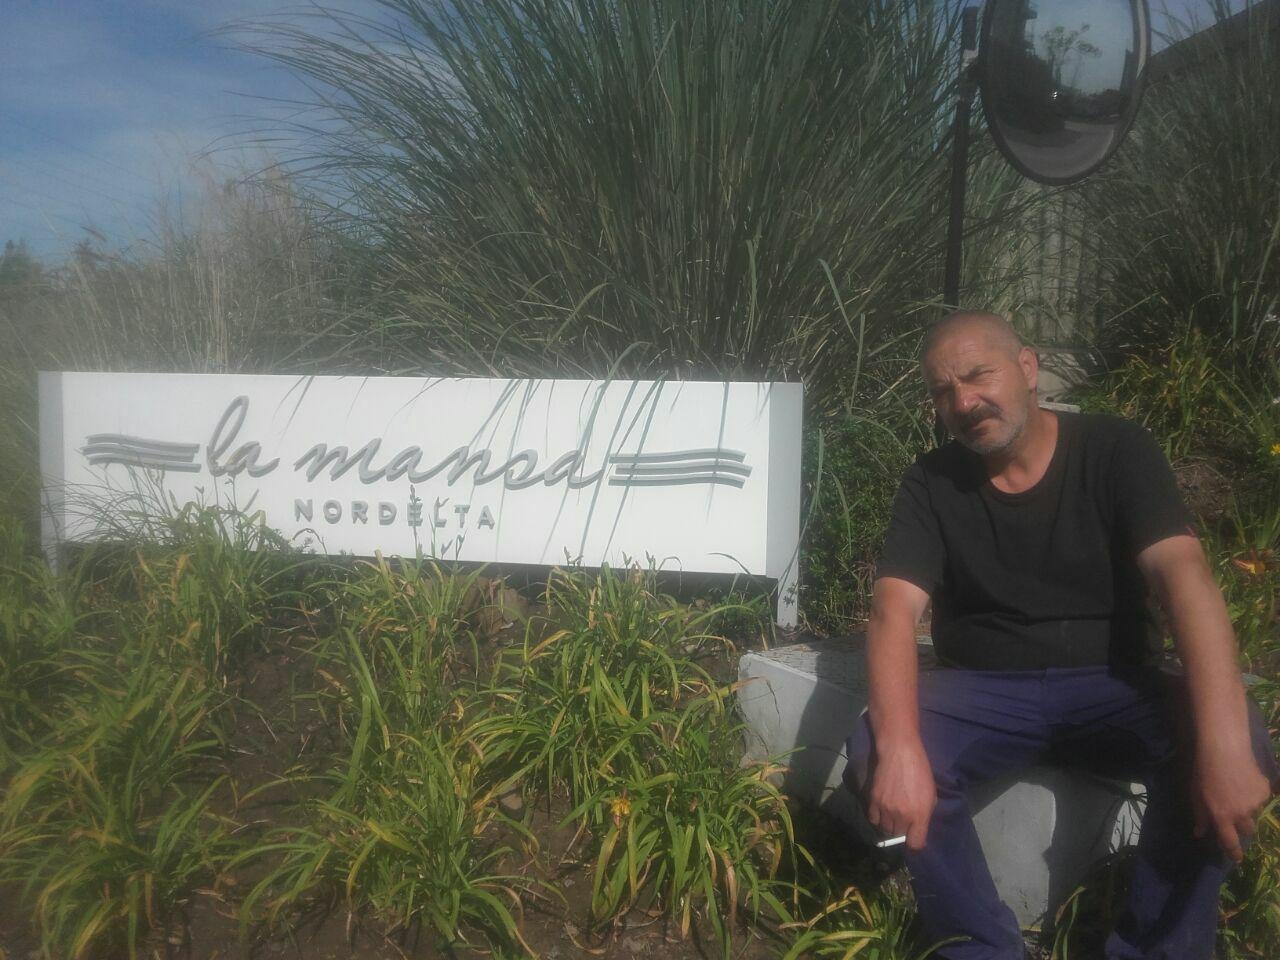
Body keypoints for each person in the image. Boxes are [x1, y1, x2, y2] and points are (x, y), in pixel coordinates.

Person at [843, 311, 1277, 960]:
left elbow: (1183, 577)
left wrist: (1222, 741)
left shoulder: (1115, 450)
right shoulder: (932, 481)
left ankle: (1155, 950)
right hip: (987, 692)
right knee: (880, 744)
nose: (964, 401)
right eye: (942, 391)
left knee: (1234, 737)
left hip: (1116, 686)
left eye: (978, 375)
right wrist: (903, 747)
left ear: (1027, 367)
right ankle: (980, 949)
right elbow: (893, 612)